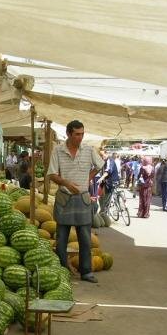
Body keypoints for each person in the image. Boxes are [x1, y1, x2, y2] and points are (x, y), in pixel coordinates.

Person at [47, 120, 104, 283]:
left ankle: (86, 272)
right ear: (69, 134)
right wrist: (66, 183)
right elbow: (52, 174)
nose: (80, 137)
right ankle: (62, 270)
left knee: (85, 238)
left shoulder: (88, 150)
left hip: (83, 198)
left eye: (82, 134)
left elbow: (100, 165)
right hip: (64, 198)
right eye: (77, 134)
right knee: (62, 239)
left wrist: (88, 178)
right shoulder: (58, 150)